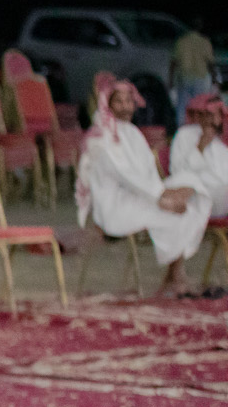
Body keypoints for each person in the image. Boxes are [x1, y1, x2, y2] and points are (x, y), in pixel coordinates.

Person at [77, 80, 211, 295]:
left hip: (141, 196)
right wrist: (162, 197)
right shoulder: (101, 136)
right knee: (176, 213)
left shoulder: (132, 132)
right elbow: (127, 177)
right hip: (115, 206)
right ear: (108, 105)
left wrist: (164, 194)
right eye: (119, 102)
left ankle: (173, 275)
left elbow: (148, 173)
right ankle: (175, 275)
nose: (125, 106)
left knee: (190, 185)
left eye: (129, 101)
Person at [170, 91, 228, 220]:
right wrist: (200, 147)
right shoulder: (184, 135)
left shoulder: (222, 141)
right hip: (198, 195)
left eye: (217, 115)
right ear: (199, 115)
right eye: (209, 115)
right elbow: (178, 172)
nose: (213, 120)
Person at [171, 20, 216, 124]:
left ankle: (181, 127)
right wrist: (214, 78)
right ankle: (198, 126)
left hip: (184, 77)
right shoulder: (204, 41)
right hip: (200, 77)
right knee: (200, 104)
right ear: (200, 27)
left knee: (182, 105)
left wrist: (171, 80)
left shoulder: (181, 41)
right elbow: (211, 63)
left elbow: (174, 62)